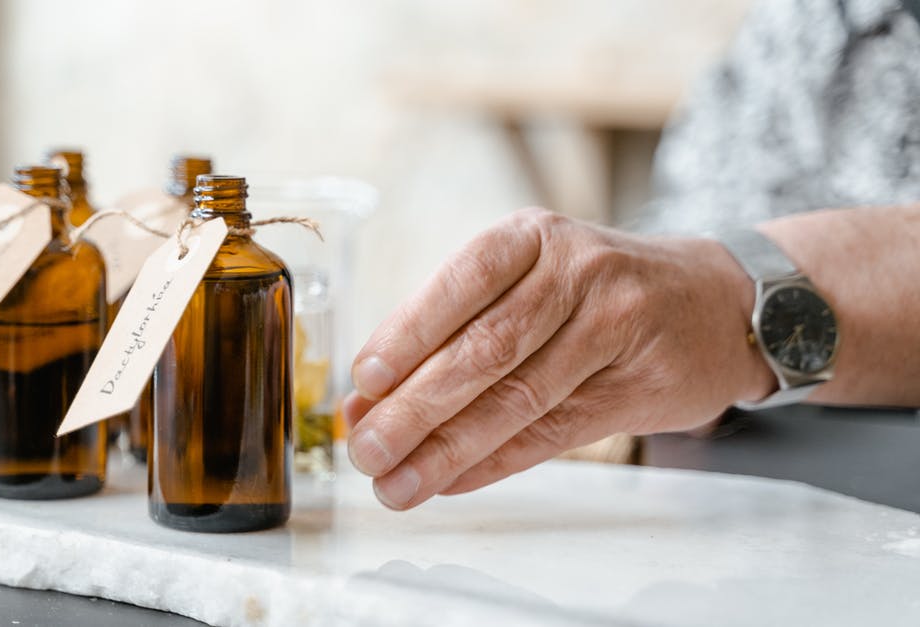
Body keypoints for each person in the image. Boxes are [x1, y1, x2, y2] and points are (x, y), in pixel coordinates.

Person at [343, 0, 920, 511]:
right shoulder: (817, 20)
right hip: (744, 495)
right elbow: (703, 211)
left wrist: (726, 300)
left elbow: (718, 288)